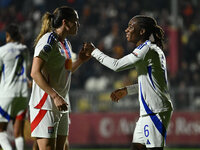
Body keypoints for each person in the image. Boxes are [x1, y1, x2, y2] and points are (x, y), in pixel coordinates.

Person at [84, 15, 173, 150]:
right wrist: (127, 90)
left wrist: (94, 52)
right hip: (148, 112)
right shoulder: (150, 49)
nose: (126, 30)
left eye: (131, 27)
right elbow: (150, 83)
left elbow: (117, 65)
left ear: (142, 31)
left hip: (155, 111)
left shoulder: (146, 49)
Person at [29, 6, 90, 150]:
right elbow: (35, 72)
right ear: (65, 23)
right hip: (45, 105)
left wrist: (80, 60)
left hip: (61, 104)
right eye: (75, 21)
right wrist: (55, 96)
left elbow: (67, 71)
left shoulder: (66, 43)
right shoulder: (48, 40)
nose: (78, 25)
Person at [0, 24, 29, 150]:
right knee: (19, 133)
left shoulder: (2, 50)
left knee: (1, 131)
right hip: (23, 93)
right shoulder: (25, 49)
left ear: (7, 36)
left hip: (7, 93)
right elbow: (27, 69)